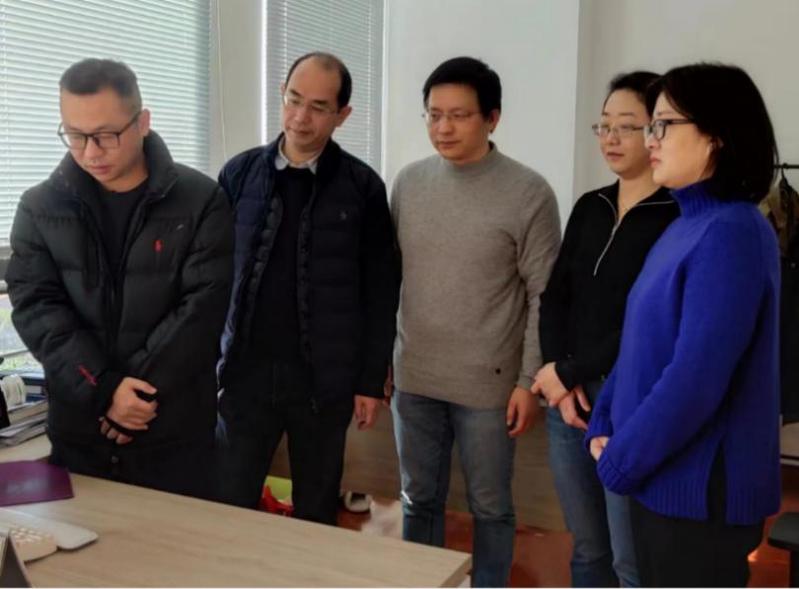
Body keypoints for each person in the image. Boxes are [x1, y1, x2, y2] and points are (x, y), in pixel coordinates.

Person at [586, 62, 781, 587]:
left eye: (664, 125)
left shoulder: (733, 232)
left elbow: (696, 379)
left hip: (699, 493)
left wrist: (623, 457)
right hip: (662, 475)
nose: (650, 139)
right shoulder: (686, 225)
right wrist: (605, 420)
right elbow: (640, 346)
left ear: (717, 136)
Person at [6, 58, 234, 498]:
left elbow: (201, 310)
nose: (90, 152)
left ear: (142, 122)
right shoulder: (39, 207)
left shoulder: (200, 200)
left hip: (173, 431)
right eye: (75, 135)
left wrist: (135, 399)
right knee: (81, 542)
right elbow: (37, 308)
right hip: (80, 431)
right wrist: (105, 390)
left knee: (179, 542)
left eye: (106, 135)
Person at [390, 56, 560, 587]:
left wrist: (528, 381)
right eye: (433, 114)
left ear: (492, 118)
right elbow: (390, 279)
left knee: (490, 506)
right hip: (415, 377)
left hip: (488, 387)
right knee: (418, 499)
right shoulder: (409, 184)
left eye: (459, 115)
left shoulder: (528, 192)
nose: (443, 127)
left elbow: (544, 295)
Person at [215, 52, 399, 525]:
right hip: (246, 373)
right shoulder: (239, 174)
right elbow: (213, 276)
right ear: (282, 95)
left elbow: (381, 291)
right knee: (230, 504)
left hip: (323, 380)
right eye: (293, 100)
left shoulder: (362, 187)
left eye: (318, 107)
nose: (300, 117)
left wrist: (369, 380)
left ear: (342, 114)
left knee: (316, 511)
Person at [535, 71, 678, 587]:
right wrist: (557, 373)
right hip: (568, 399)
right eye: (604, 125)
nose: (611, 138)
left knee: (628, 557)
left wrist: (572, 370)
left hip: (628, 401)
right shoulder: (590, 206)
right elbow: (555, 297)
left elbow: (647, 324)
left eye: (627, 126)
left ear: (656, 130)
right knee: (587, 548)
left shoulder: (675, 216)